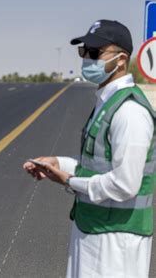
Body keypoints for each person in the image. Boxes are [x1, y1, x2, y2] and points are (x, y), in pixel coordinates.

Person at [23, 20, 155, 277]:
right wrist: (58, 164)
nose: (87, 59)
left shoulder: (130, 112)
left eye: (94, 53)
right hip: (94, 229)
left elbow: (125, 183)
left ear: (120, 60)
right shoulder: (107, 103)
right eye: (84, 52)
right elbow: (98, 166)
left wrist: (71, 181)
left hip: (117, 242)